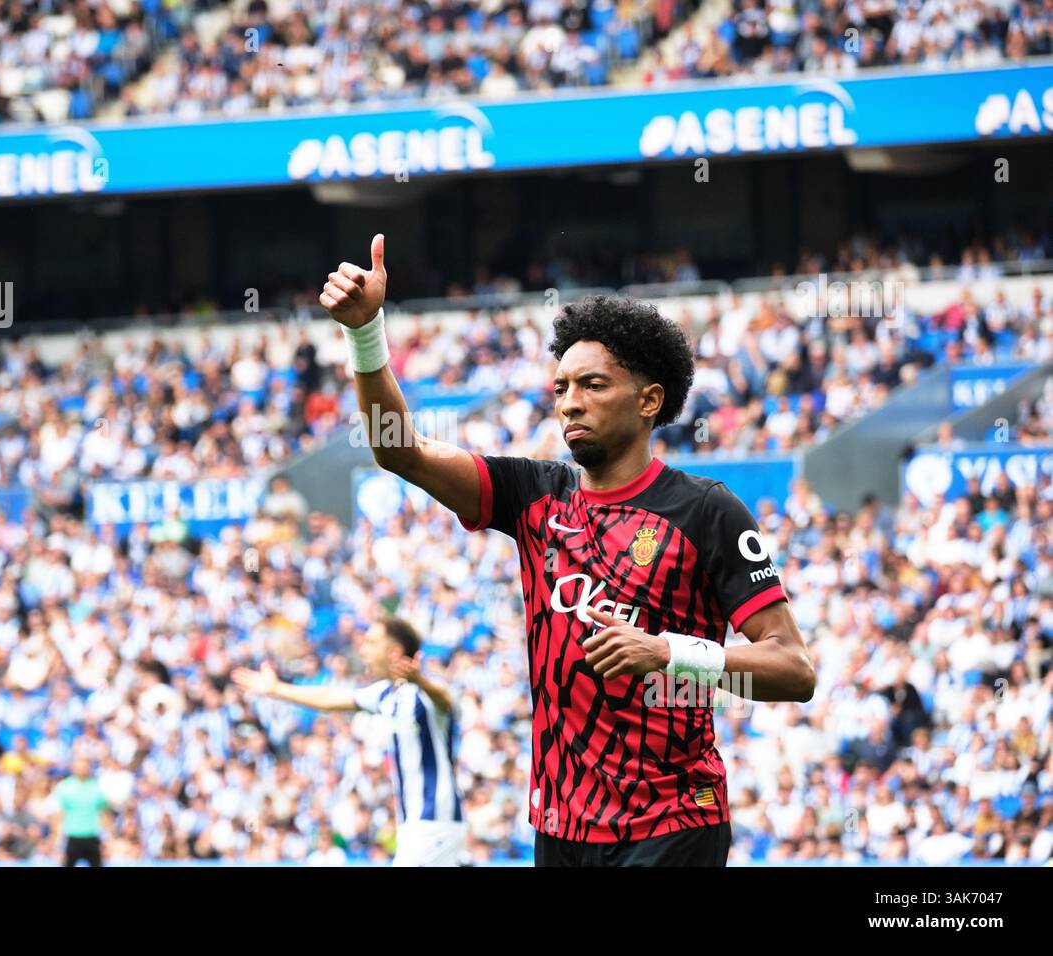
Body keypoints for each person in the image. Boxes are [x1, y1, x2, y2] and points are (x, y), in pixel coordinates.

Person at [319, 236, 816, 867]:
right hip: (561, 826)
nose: (570, 402)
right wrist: (366, 335)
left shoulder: (706, 511)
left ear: (650, 400)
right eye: (560, 388)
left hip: (674, 819)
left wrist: (669, 653)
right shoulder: (532, 495)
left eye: (592, 384)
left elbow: (795, 670)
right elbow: (399, 451)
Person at [232, 616, 467, 866]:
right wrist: (276, 689)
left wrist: (419, 680)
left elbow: (445, 700)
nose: (363, 649)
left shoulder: (425, 693)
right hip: (417, 825)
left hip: (433, 822)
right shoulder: (385, 694)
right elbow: (330, 699)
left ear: (394, 651)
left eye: (371, 642)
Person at [52, 755, 111, 867]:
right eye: (79, 767)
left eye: (85, 767)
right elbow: (59, 816)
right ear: (73, 768)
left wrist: (108, 839)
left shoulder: (96, 787)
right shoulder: (64, 787)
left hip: (92, 835)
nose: (82, 769)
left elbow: (104, 814)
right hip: (72, 836)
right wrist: (58, 843)